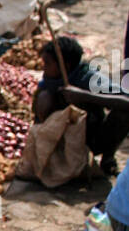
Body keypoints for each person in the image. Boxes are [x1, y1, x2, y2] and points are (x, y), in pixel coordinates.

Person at [34, 36, 129, 177]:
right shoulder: (49, 81)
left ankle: (108, 158)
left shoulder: (89, 78)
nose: (43, 67)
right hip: (61, 140)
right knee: (44, 98)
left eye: (47, 63)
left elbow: (126, 100)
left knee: (124, 113)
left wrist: (83, 96)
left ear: (65, 65)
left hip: (91, 138)